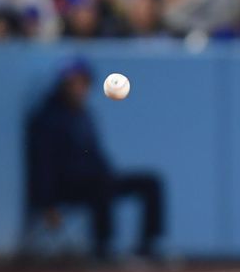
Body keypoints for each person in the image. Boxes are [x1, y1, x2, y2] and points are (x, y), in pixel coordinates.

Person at [25, 58, 164, 261]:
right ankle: (103, 248)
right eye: (74, 83)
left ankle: (149, 246)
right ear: (63, 86)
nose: (79, 88)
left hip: (96, 181)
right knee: (101, 184)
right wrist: (48, 203)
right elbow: (43, 164)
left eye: (83, 83)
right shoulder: (48, 118)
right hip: (65, 187)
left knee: (151, 182)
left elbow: (96, 155)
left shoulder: (85, 114)